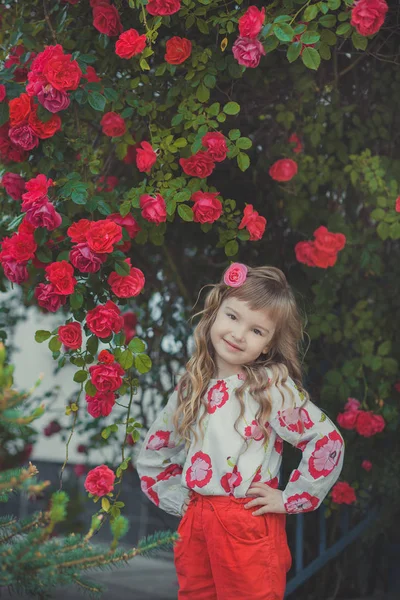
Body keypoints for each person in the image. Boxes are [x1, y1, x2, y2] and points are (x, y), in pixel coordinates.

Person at [136, 263, 345, 600]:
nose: (238, 334)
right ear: (216, 312)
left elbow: (326, 441)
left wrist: (289, 497)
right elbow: (154, 452)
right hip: (197, 519)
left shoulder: (270, 388)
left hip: (246, 519)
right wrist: (180, 499)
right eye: (232, 317)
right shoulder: (193, 387)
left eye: (257, 330)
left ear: (267, 345)